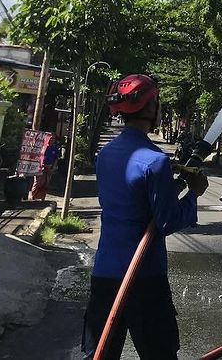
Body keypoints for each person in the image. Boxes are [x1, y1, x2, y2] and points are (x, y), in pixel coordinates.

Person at [82, 74, 208, 360]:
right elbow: (166, 221)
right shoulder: (156, 161)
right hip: (144, 278)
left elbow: (130, 191)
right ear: (151, 108)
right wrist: (193, 194)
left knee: (100, 355)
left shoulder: (105, 155)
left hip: (105, 274)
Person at [29, 136, 61, 201]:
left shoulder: (55, 148)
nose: (51, 140)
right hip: (41, 166)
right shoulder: (43, 147)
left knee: (46, 183)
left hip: (49, 166)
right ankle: (33, 197)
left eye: (53, 139)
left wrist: (53, 166)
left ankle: (42, 197)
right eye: (50, 138)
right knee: (38, 182)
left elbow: (56, 159)